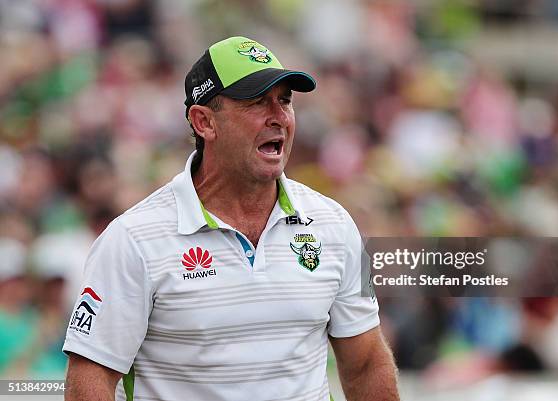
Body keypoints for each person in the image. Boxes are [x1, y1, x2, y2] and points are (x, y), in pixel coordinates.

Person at [63, 36, 399, 401]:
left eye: (285, 101)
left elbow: (365, 362)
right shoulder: (133, 239)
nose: (279, 117)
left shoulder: (335, 223)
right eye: (257, 102)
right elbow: (89, 379)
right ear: (204, 122)